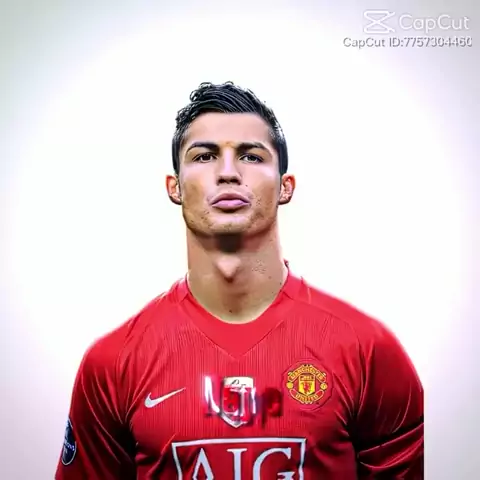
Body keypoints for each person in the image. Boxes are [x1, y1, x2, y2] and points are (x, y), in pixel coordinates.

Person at [55, 81, 424, 479]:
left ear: (285, 186)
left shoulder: (367, 349)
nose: (228, 173)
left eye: (250, 156)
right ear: (174, 187)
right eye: (204, 156)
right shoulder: (114, 362)